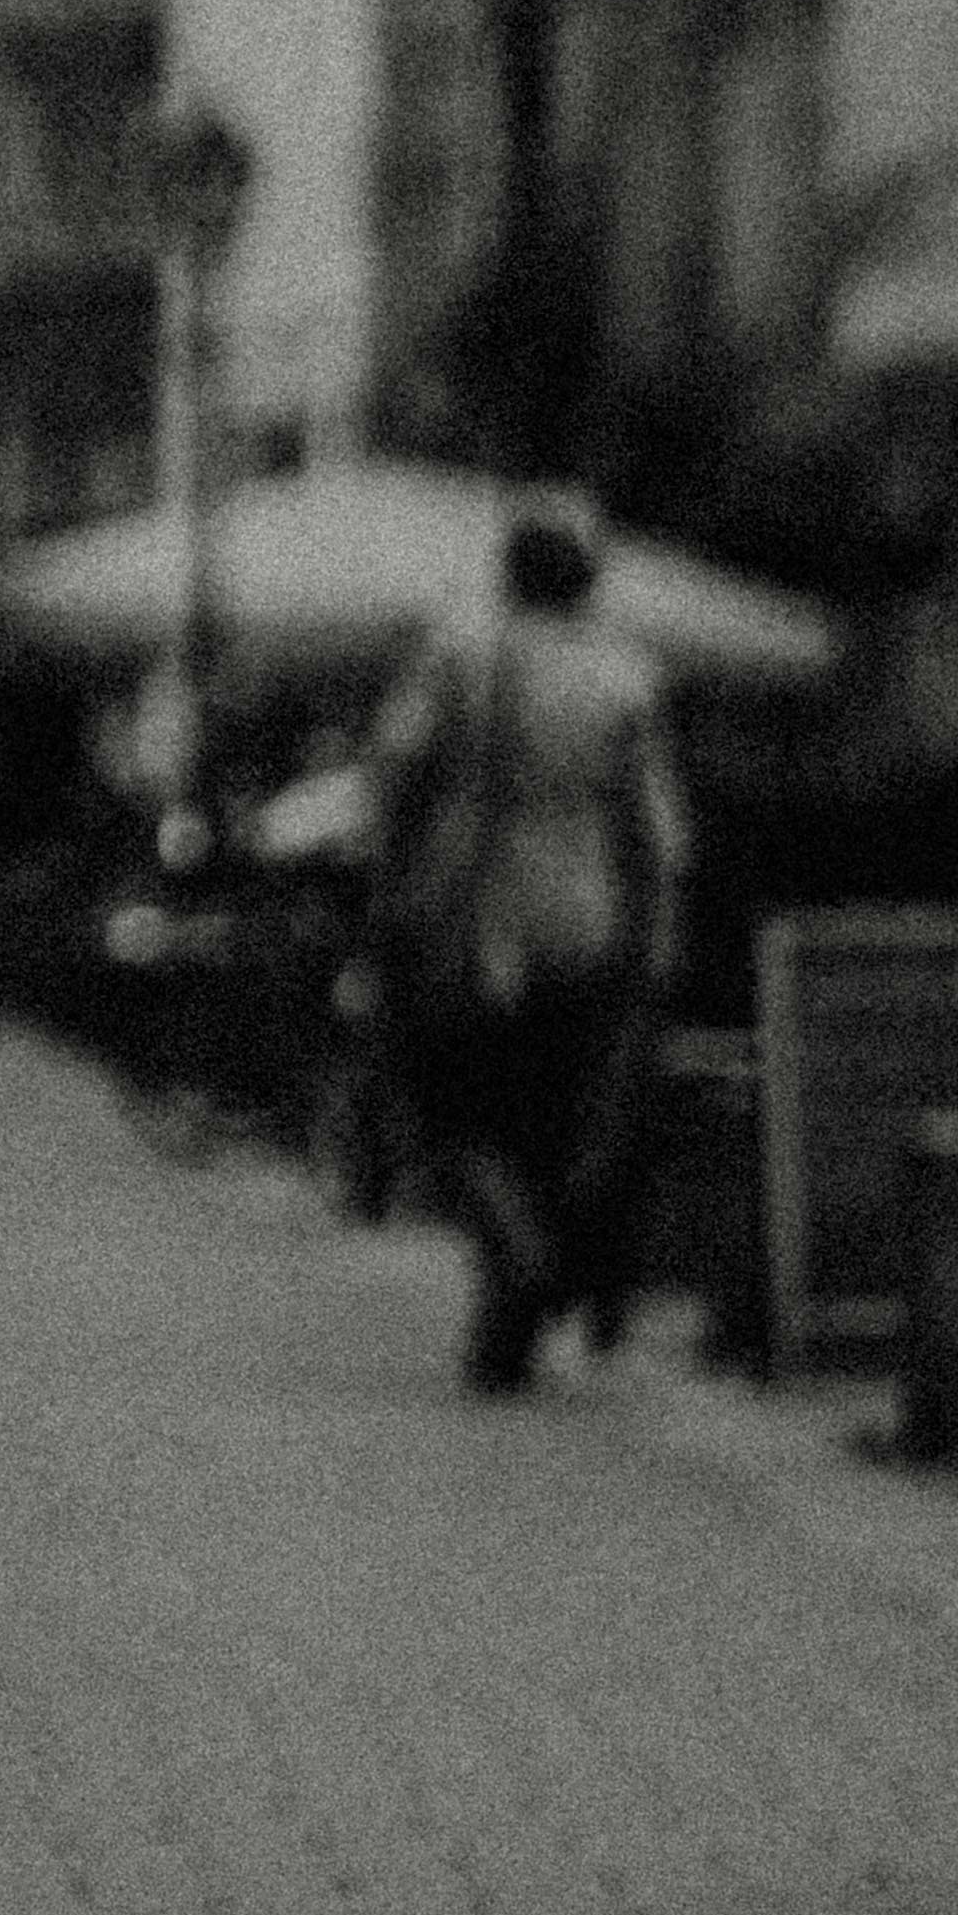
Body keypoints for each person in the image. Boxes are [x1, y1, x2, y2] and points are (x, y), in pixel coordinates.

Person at [364, 492, 685, 1395]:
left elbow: (397, 771)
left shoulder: (461, 651)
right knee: (552, 1118)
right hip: (589, 912)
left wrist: (392, 885)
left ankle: (518, 1255)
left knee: (451, 1102)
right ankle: (514, 1314)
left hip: (477, 911)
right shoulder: (627, 674)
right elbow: (658, 830)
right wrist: (655, 936)